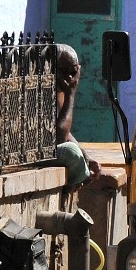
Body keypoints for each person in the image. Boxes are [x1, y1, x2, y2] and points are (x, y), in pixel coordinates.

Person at [53, 44, 101, 204]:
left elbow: (64, 132)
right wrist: (70, 95)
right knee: (71, 152)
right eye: (67, 72)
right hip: (33, 157)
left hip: (48, 149)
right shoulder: (43, 88)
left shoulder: (58, 91)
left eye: (74, 73)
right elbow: (60, 136)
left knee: (76, 150)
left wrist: (86, 156)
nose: (71, 79)